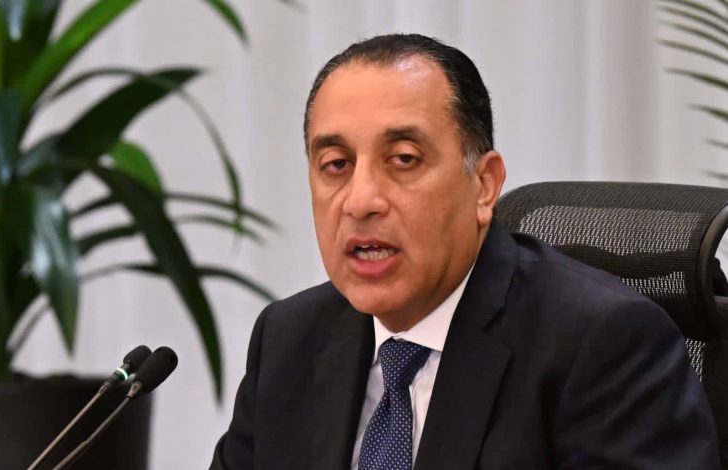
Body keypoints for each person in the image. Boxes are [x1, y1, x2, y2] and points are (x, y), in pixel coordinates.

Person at [210, 34, 719, 469]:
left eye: (403, 159)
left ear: (484, 185)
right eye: (336, 164)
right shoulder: (288, 340)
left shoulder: (603, 345)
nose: (360, 201)